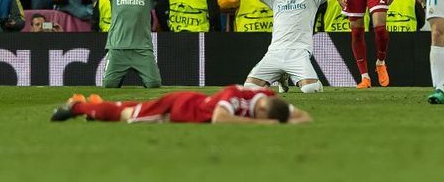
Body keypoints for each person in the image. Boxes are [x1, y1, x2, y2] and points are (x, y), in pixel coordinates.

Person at [243, 0, 342, 93]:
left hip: (298, 53)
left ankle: (296, 78)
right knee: (249, 89)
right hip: (274, 53)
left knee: (310, 89)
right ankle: (282, 76)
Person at [50, 85, 311, 124]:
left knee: (136, 106)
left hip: (190, 100)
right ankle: (77, 107)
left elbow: (302, 116)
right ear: (262, 110)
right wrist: (266, 126)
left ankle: (97, 104)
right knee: (127, 114)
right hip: (181, 107)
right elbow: (221, 119)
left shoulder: (266, 95)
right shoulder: (234, 98)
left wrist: (290, 120)